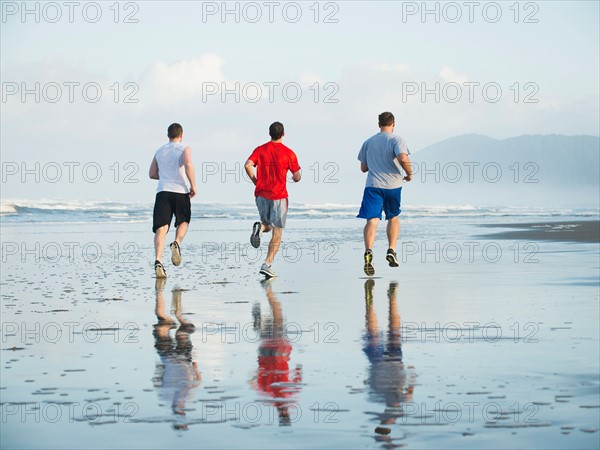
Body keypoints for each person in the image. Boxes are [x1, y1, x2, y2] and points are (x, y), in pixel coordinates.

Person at [357, 112, 412, 276]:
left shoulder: (368, 142)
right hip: (393, 185)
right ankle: (391, 250)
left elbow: (363, 168)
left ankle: (368, 251)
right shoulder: (397, 140)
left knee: (372, 220)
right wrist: (409, 173)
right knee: (393, 217)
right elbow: (402, 157)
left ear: (378, 124)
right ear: (393, 124)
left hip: (373, 185)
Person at [244, 121, 301, 278]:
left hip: (261, 194)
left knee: (267, 225)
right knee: (277, 232)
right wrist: (297, 176)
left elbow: (248, 164)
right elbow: (297, 176)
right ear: (283, 134)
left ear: (270, 134)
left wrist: (256, 181)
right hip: (279, 196)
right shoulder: (288, 153)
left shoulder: (260, 149)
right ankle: (267, 264)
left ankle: (259, 229)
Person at [149, 123, 197, 278]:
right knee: (183, 220)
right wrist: (193, 185)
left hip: (162, 192)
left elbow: (152, 174)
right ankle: (176, 242)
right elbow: (188, 164)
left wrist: (164, 176)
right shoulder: (184, 148)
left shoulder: (159, 151)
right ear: (181, 135)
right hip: (180, 191)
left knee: (161, 228)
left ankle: (158, 260)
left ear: (168, 135)